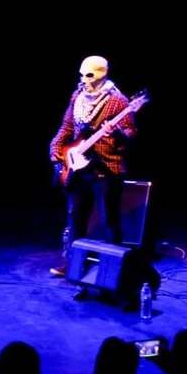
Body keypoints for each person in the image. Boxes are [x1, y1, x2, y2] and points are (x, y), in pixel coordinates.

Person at [47, 55, 140, 276]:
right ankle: (72, 264)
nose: (84, 80)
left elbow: (130, 133)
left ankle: (113, 270)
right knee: (76, 219)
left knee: (109, 222)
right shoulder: (78, 96)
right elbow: (67, 126)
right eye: (82, 75)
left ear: (101, 75)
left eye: (89, 75)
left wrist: (116, 132)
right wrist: (55, 149)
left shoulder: (118, 101)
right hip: (80, 169)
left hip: (106, 170)